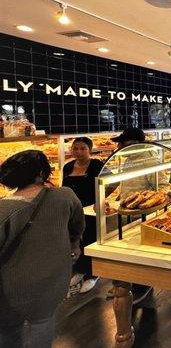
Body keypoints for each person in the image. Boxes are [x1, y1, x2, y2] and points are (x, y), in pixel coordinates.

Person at [0, 150, 84, 348]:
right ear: (41, 173)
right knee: (43, 322)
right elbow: (77, 225)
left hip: (11, 285)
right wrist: (74, 245)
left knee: (8, 328)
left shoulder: (4, 210)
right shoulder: (65, 196)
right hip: (53, 279)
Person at [108, 127, 169, 305]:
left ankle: (143, 285)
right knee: (129, 249)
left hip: (144, 213)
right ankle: (127, 283)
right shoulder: (129, 160)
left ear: (134, 144)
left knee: (141, 250)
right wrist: (111, 199)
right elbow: (125, 184)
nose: (119, 145)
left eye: (122, 142)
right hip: (128, 210)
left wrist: (153, 204)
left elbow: (163, 186)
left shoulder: (149, 160)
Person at [62, 137, 104, 293]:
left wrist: (100, 201)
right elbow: (64, 188)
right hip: (73, 209)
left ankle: (93, 274)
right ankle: (80, 269)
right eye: (75, 148)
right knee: (77, 240)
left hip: (91, 211)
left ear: (90, 150)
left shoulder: (97, 165)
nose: (78, 152)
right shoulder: (67, 167)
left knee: (91, 240)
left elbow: (109, 183)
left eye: (82, 148)